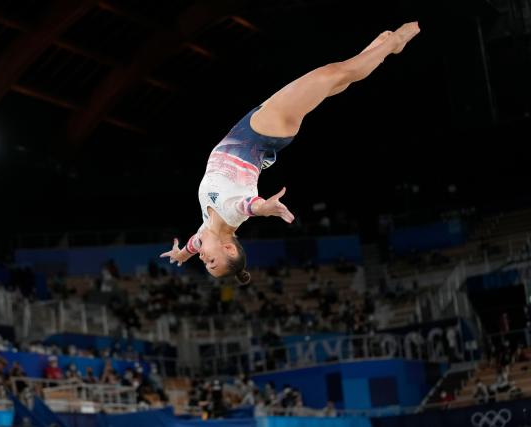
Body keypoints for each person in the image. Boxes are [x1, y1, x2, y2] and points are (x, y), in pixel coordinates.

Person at [160, 23, 421, 283]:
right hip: (263, 132)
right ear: (228, 248)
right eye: (212, 262)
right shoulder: (230, 214)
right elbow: (250, 206)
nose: (204, 259)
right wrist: (266, 207)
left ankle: (376, 50)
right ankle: (394, 43)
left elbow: (195, 244)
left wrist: (183, 254)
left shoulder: (207, 229)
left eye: (205, 264)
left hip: (255, 130)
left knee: (334, 84)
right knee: (331, 75)